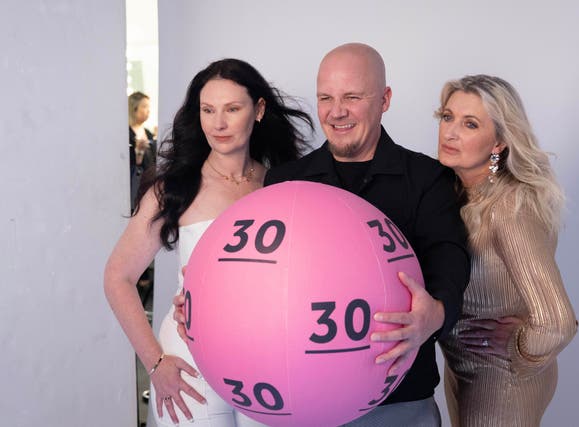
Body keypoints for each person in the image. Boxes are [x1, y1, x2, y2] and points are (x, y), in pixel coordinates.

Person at [175, 43, 470, 426]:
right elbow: (259, 279)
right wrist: (203, 305)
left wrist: (438, 313)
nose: (337, 111)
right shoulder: (285, 181)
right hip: (305, 405)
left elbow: (451, 262)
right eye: (326, 98)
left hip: (398, 402)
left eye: (352, 97)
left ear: (385, 99)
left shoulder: (427, 178)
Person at [105, 58, 313, 426]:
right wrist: (155, 363)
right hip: (189, 362)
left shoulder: (282, 186)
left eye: (232, 109)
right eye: (208, 110)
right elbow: (118, 277)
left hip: (269, 360)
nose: (218, 123)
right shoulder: (173, 188)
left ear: (259, 110)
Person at [435, 75, 578, 427]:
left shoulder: (508, 206)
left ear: (498, 141)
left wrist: (517, 347)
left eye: (470, 124)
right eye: (447, 117)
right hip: (463, 367)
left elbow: (557, 323)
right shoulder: (457, 194)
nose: (450, 132)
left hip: (502, 377)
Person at [128, 91, 157, 210]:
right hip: (136, 189)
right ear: (134, 109)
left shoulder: (149, 133)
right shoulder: (127, 134)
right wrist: (138, 152)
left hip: (151, 186)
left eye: (148, 107)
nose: (148, 111)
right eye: (144, 106)